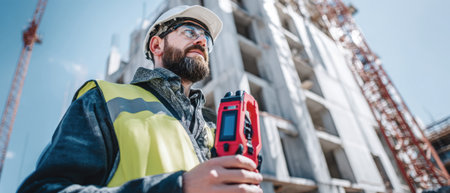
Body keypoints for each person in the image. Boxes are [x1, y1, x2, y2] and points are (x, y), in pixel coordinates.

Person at [17, 5, 263, 193]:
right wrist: (179, 187)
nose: (201, 41)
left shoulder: (213, 126)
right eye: (190, 31)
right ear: (157, 44)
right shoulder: (105, 100)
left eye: (206, 40)